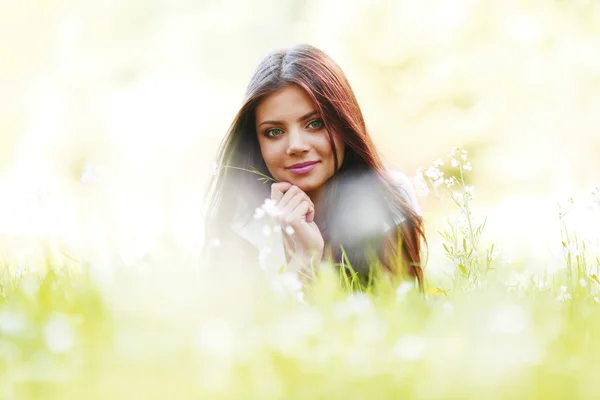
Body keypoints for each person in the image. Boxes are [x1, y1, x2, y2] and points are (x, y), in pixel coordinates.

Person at [204, 44, 426, 289]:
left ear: (345, 124)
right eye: (274, 132)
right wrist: (304, 259)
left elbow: (404, 315)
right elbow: (252, 326)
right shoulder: (241, 222)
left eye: (315, 124)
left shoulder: (388, 197)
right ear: (256, 142)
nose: (296, 146)